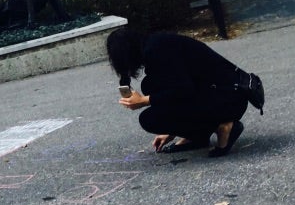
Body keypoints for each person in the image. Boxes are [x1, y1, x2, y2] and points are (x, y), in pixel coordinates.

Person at [106, 27, 256, 158]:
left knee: (149, 118)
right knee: (151, 85)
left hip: (229, 99)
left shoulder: (157, 51)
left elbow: (183, 90)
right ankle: (197, 136)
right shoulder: (155, 44)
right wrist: (174, 130)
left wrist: (144, 101)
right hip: (224, 93)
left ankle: (223, 126)